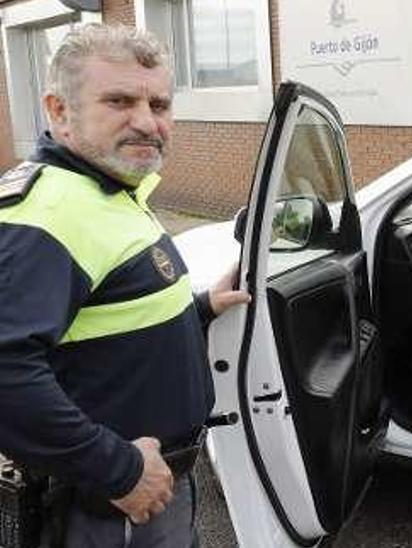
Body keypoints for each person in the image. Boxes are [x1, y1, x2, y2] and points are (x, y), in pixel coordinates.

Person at [0, 23, 249, 546]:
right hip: (110, 507)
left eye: (159, 105)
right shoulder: (49, 213)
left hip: (151, 488)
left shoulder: (111, 189)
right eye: (119, 101)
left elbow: (104, 317)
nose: (146, 122)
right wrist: (120, 471)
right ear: (59, 110)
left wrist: (200, 309)